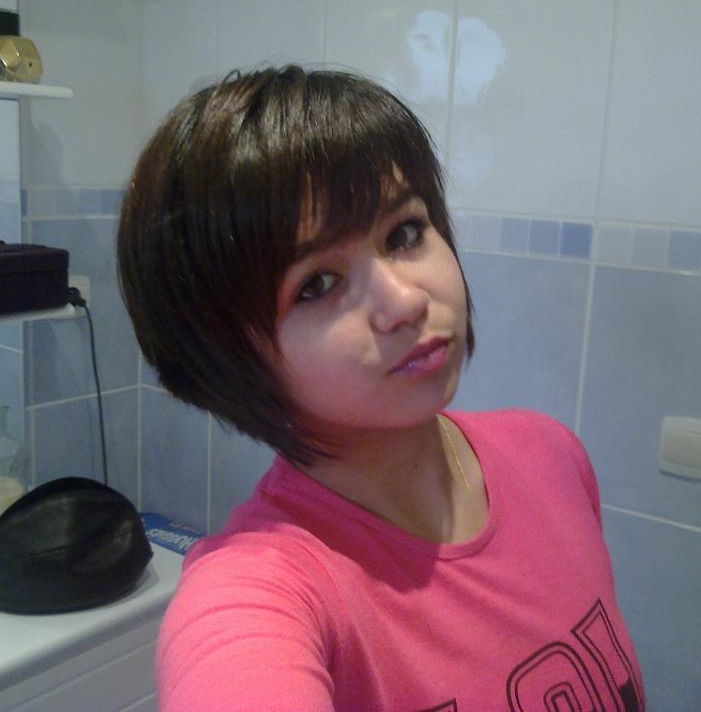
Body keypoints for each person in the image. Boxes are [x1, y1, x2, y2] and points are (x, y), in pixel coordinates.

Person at [117, 65, 644, 712]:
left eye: (404, 234)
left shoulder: (552, 456)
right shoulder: (257, 594)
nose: (405, 301)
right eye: (317, 284)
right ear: (228, 357)